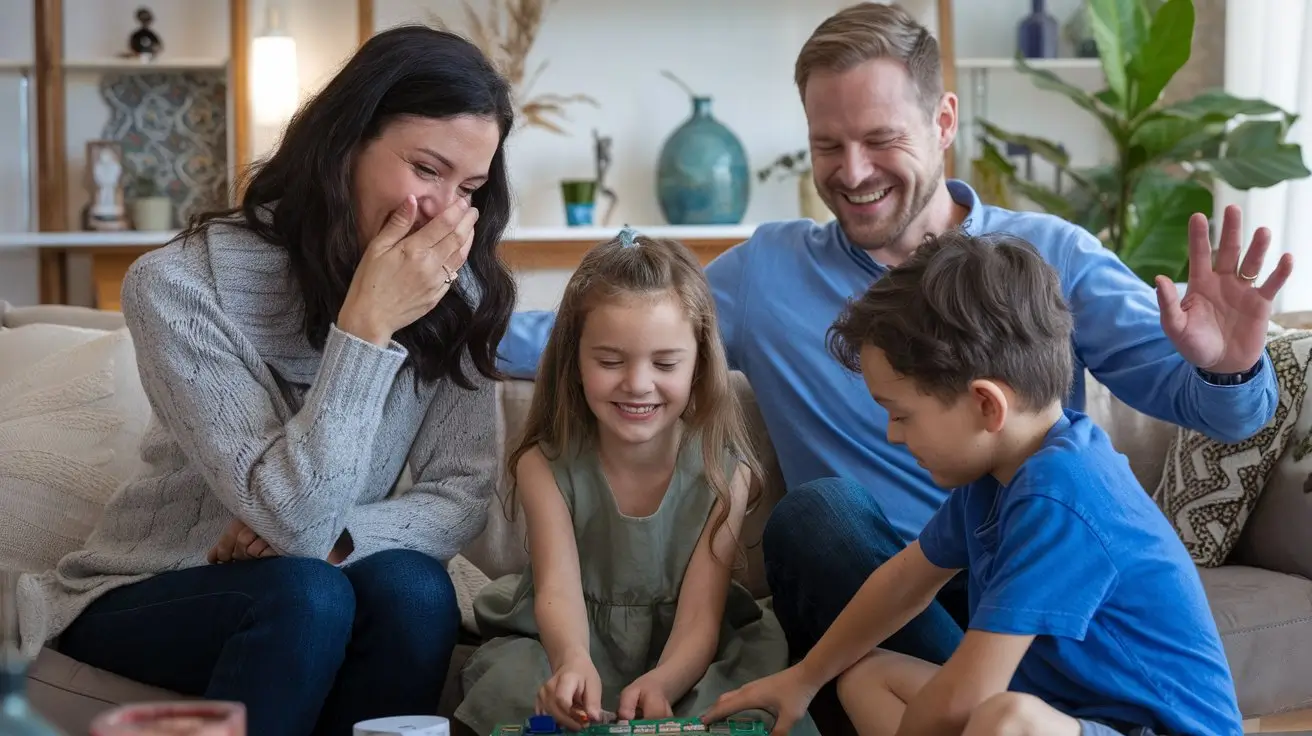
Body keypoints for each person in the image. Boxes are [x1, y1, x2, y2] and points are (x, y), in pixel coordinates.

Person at [495, 1, 1292, 669]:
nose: (852, 170)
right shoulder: (766, 274)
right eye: (826, 146)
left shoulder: (1050, 257)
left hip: (1034, 583)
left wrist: (1231, 367)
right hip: (876, 585)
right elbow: (584, 336)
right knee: (816, 516)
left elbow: (1229, 416)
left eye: (879, 139)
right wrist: (429, 317)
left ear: (943, 119)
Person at [17, 25, 518, 736]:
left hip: (320, 576)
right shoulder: (180, 285)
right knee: (305, 594)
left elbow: (460, 493)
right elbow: (293, 517)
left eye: (469, 187)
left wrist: (341, 539)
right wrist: (366, 328)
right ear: (346, 143)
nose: (443, 210)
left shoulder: (455, 292)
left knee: (413, 587)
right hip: (156, 585)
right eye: (426, 169)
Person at [701, 230, 1244, 736]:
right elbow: (903, 581)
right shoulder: (996, 477)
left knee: (1006, 718)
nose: (892, 434)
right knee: (866, 678)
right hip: (1068, 717)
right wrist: (806, 677)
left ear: (986, 404)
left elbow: (971, 695)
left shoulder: (1061, 493)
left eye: (902, 414)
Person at [454, 229, 818, 736]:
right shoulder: (544, 465)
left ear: (698, 365)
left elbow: (698, 621)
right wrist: (572, 663)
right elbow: (557, 594)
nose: (638, 383)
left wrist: (665, 682)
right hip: (567, 638)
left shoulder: (723, 472)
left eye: (665, 363)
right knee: (514, 684)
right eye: (609, 361)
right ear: (575, 364)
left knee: (747, 698)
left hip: (688, 653)